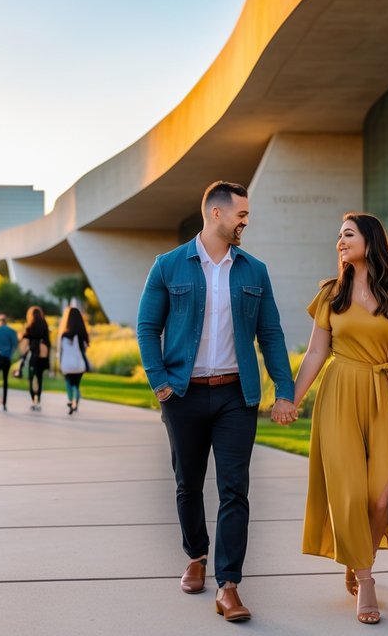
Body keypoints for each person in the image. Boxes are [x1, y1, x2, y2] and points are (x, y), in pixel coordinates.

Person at [136, 181, 296, 622]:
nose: (247, 220)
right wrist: (160, 384)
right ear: (216, 214)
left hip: (234, 396)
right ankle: (196, 556)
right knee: (188, 483)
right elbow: (147, 327)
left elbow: (272, 335)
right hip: (183, 394)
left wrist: (284, 391)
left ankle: (229, 586)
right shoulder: (168, 266)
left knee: (234, 489)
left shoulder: (254, 270)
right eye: (241, 213)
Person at [288, 213, 388, 625]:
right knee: (348, 493)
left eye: (347, 234)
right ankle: (367, 580)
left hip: (383, 396)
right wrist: (291, 398)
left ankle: (360, 559)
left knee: (380, 496)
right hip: (339, 393)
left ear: (370, 240)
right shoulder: (330, 294)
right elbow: (315, 353)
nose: (339, 242)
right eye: (338, 235)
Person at [57, 306, 90, 415]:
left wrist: (60, 363)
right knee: (76, 385)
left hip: (67, 364)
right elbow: (85, 349)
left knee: (69, 383)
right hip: (78, 364)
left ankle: (70, 401)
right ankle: (76, 403)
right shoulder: (81, 335)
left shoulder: (64, 335)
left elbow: (60, 351)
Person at [21, 307, 50, 411]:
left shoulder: (30, 326)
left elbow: (24, 341)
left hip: (33, 356)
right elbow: (48, 342)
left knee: (31, 379)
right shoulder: (44, 325)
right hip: (42, 356)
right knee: (40, 379)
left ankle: (34, 400)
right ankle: (39, 401)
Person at [0, 313, 18, 412]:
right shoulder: (11, 331)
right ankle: (4, 403)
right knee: (5, 380)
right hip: (6, 358)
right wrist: (9, 354)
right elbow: (14, 345)